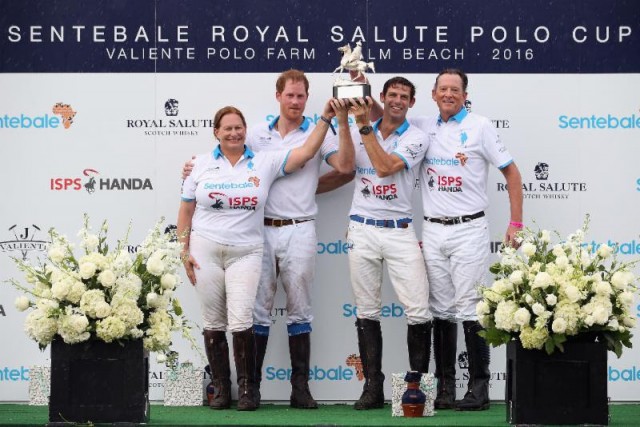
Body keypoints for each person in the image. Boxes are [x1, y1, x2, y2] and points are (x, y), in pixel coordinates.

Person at [182, 70, 355, 409]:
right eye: (289, 95)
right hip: (257, 231)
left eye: (301, 96)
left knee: (300, 309)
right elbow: (222, 164)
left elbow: (346, 167)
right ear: (278, 96)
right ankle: (252, 387)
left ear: (307, 98)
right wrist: (190, 170)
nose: (295, 101)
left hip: (300, 227)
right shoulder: (255, 135)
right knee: (255, 311)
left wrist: (312, 183)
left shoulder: (322, 132)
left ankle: (300, 388)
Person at [411, 69, 523, 411]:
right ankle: (445, 388)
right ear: (433, 94)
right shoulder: (422, 126)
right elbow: (381, 114)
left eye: (454, 89)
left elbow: (512, 173)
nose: (448, 94)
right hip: (432, 229)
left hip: (469, 229)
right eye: (443, 89)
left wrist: (515, 222)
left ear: (464, 94)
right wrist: (357, 80)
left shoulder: (481, 126)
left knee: (472, 309)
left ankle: (479, 388)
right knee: (440, 310)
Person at [339, 77, 432, 410]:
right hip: (362, 229)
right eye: (392, 95)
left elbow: (384, 168)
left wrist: (364, 128)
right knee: (366, 312)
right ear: (381, 97)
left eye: (404, 96)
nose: (397, 101)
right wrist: (342, 119)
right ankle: (372, 388)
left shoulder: (418, 137)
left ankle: (415, 389)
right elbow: (346, 166)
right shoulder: (360, 128)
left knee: (419, 311)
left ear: (411, 102)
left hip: (399, 231)